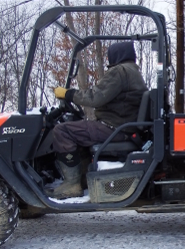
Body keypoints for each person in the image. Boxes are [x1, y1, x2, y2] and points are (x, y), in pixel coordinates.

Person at [48, 41, 148, 199]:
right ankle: (82, 180)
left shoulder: (120, 71)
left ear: (115, 55)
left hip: (114, 127)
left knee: (62, 130)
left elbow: (95, 97)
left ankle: (72, 185)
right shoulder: (133, 71)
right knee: (77, 131)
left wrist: (68, 94)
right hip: (122, 126)